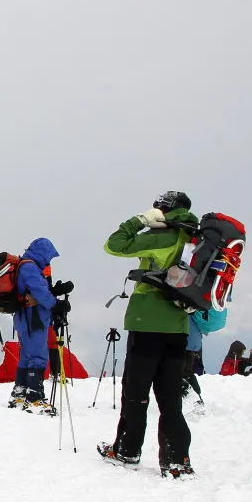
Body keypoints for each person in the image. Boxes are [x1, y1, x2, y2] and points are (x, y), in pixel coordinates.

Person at [97, 190, 199, 479]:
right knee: (170, 399)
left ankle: (127, 451)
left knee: (136, 393)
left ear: (164, 209)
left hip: (147, 324)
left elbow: (114, 245)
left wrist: (139, 220)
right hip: (179, 326)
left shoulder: (162, 236)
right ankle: (177, 460)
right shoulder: (194, 240)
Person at [6, 237, 60, 414]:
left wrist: (55, 292)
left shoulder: (25, 265)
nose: (48, 260)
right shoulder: (30, 267)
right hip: (33, 317)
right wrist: (55, 304)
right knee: (37, 355)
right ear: (42, 252)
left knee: (27, 356)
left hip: (24, 318)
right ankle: (34, 398)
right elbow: (39, 291)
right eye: (48, 256)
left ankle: (20, 393)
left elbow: (34, 289)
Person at [181, 316, 205, 406]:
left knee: (176, 371)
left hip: (181, 338)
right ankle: (197, 401)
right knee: (187, 372)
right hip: (193, 341)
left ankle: (191, 401)